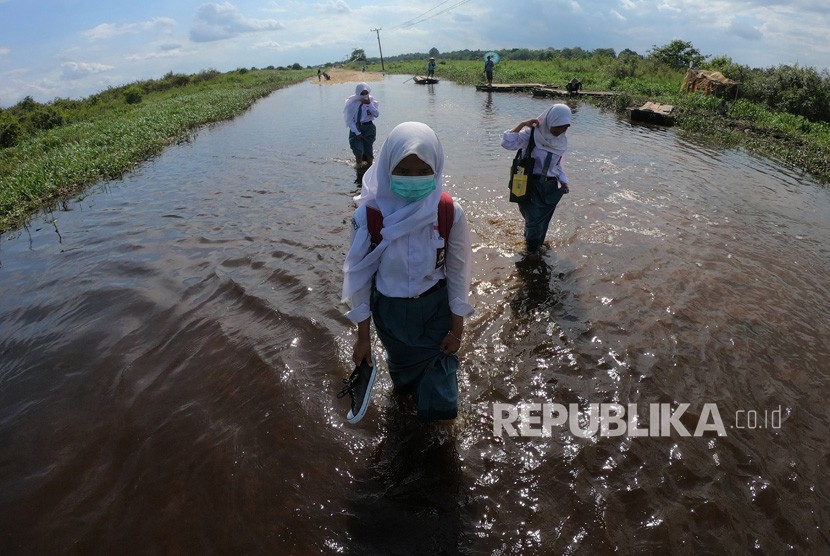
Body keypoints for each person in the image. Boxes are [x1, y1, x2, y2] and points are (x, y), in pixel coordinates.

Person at [341, 122, 475, 423]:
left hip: (436, 311)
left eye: (422, 171)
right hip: (391, 316)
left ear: (436, 169)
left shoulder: (449, 212)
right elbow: (360, 279)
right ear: (387, 167)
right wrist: (363, 338)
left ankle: (439, 445)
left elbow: (457, 271)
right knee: (403, 384)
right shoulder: (369, 216)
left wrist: (457, 328)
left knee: (443, 400)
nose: (413, 180)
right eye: (403, 171)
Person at [500, 103, 572, 254]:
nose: (561, 130)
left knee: (542, 221)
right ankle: (532, 251)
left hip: (549, 188)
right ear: (551, 121)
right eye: (559, 126)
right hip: (527, 184)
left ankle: (534, 244)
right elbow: (507, 143)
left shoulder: (561, 142)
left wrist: (564, 181)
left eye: (565, 127)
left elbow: (557, 165)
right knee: (533, 221)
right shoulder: (532, 134)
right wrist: (522, 124)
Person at [344, 83, 380, 173]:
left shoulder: (372, 101)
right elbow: (349, 121)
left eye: (366, 93)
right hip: (356, 128)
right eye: (362, 94)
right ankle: (359, 170)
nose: (364, 96)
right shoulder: (351, 103)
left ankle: (369, 171)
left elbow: (376, 114)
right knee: (358, 150)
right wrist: (357, 132)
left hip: (369, 127)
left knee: (368, 151)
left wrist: (369, 105)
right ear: (358, 93)